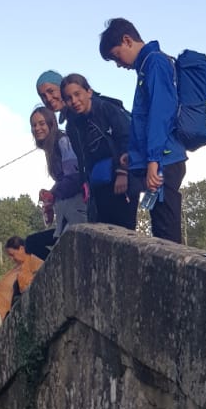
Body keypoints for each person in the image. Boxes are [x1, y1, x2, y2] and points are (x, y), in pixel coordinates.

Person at [98, 19, 187, 245]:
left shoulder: (154, 63)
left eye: (117, 56)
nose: (119, 64)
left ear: (127, 40)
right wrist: (134, 154)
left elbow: (160, 114)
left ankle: (171, 280)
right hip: (156, 160)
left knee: (167, 237)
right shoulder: (147, 66)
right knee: (160, 230)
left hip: (163, 161)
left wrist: (153, 162)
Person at [60, 73, 137, 231]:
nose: (74, 101)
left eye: (77, 94)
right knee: (104, 234)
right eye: (68, 98)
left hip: (122, 178)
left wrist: (123, 173)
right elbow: (82, 159)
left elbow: (127, 139)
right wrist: (85, 184)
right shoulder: (72, 126)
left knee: (124, 231)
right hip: (98, 185)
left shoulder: (106, 108)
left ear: (89, 92)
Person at [30, 105, 88, 239]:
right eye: (33, 125)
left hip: (77, 209)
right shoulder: (50, 147)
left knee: (36, 243)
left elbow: (74, 177)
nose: (37, 128)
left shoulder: (63, 141)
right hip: (67, 211)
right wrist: (49, 197)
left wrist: (52, 194)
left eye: (41, 123)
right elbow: (63, 179)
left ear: (52, 123)